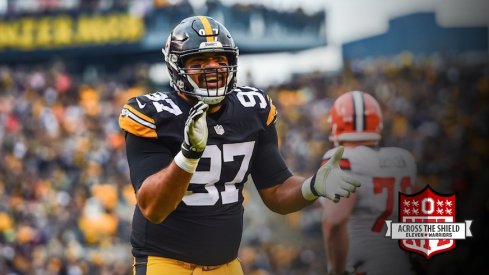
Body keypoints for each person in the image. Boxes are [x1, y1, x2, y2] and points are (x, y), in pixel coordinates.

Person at [118, 16, 360, 274]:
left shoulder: (252, 109)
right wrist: (188, 156)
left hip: (228, 266)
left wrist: (312, 186)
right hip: (166, 265)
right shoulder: (153, 113)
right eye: (199, 62)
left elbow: (276, 191)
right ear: (176, 67)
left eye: (220, 61)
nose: (212, 69)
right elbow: (153, 209)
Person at [320, 91, 418, 275]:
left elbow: (335, 220)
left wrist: (336, 270)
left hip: (363, 268)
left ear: (336, 125)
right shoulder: (405, 160)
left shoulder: (340, 159)